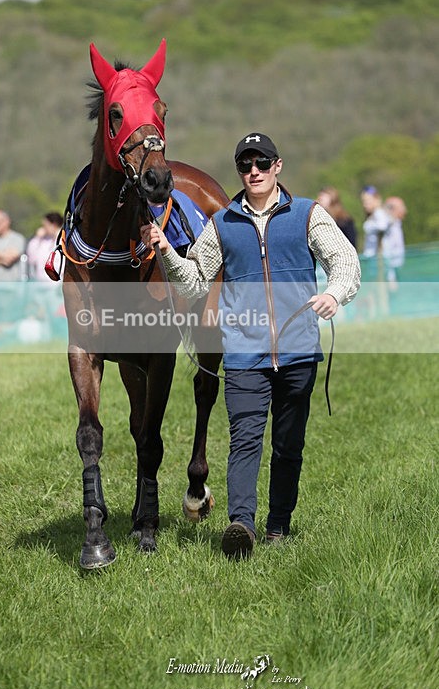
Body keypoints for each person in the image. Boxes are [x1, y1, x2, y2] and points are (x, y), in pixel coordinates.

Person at [141, 132, 361, 559]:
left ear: (278, 166)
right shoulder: (222, 224)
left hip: (298, 351)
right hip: (243, 352)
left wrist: (335, 293)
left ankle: (278, 524)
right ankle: (241, 524)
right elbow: (193, 279)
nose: (254, 171)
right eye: (246, 165)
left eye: (262, 163)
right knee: (244, 440)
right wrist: (167, 250)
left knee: (288, 444)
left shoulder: (307, 215)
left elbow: (344, 260)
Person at [360, 187, 405, 284]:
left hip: (380, 259)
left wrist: (369, 226)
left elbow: (382, 225)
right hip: (374, 258)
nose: (365, 205)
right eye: (363, 201)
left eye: (367, 201)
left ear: (376, 199)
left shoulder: (379, 213)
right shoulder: (374, 214)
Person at [26, 212, 63, 281]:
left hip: (58, 282)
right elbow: (31, 259)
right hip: (41, 281)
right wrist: (37, 238)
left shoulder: (64, 240)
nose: (43, 228)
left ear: (54, 225)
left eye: (45, 225)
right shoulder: (42, 241)